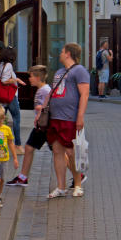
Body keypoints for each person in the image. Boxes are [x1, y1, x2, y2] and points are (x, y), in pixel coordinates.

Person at [46, 42, 89, 199]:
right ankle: (61, 187)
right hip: (55, 117)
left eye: (62, 51)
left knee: (71, 152)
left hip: (69, 117)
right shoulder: (59, 72)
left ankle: (77, 184)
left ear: (68, 54)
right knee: (57, 151)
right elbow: (53, 92)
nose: (60, 54)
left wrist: (80, 116)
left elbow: (84, 94)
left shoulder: (80, 71)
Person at [6, 65, 50, 187]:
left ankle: (78, 175)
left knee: (59, 152)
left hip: (45, 127)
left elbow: (51, 106)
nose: (29, 79)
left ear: (37, 77)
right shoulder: (41, 90)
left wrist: (41, 108)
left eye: (30, 76)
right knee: (29, 148)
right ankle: (22, 177)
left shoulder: (45, 90)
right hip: (40, 127)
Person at [0, 39, 26, 154]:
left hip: (0, 96)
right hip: (9, 96)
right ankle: (18, 145)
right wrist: (16, 79)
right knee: (16, 119)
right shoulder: (8, 65)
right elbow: (5, 81)